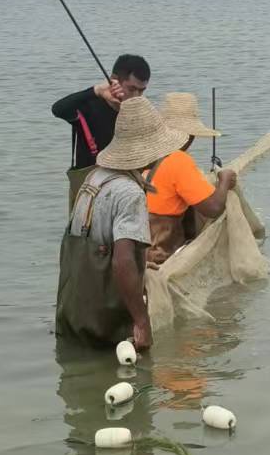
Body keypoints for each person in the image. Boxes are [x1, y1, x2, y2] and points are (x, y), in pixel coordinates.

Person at [55, 94, 181, 351]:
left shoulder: (93, 178)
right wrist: (142, 322)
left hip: (70, 316)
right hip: (105, 325)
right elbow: (122, 261)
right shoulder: (130, 193)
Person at [145, 92, 238, 266]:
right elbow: (214, 208)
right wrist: (224, 179)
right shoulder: (178, 160)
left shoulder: (144, 154)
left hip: (137, 253)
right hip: (161, 256)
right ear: (190, 135)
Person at [52, 54, 150, 207]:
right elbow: (58, 109)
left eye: (142, 91)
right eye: (132, 89)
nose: (136, 96)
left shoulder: (140, 113)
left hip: (128, 190)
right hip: (88, 191)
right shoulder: (89, 106)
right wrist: (96, 90)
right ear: (114, 80)